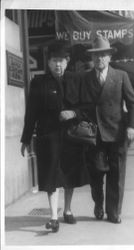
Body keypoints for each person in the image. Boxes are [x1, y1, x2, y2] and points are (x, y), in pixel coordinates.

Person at [21, 43, 89, 232]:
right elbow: (31, 113)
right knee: (51, 176)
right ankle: (53, 217)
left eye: (61, 61)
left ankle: (67, 210)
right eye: (54, 61)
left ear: (67, 62)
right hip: (48, 138)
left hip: (71, 137)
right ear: (48, 63)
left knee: (70, 174)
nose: (57, 65)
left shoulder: (76, 80)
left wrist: (73, 113)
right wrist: (26, 139)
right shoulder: (38, 83)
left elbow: (87, 107)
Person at [80, 36, 134, 223]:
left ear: (109, 57)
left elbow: (133, 103)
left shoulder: (121, 76)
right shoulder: (85, 78)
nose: (99, 59)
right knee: (96, 173)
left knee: (117, 173)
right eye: (96, 55)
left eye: (103, 55)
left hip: (117, 132)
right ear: (92, 58)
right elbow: (80, 105)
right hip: (94, 135)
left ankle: (114, 212)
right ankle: (98, 202)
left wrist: (132, 126)